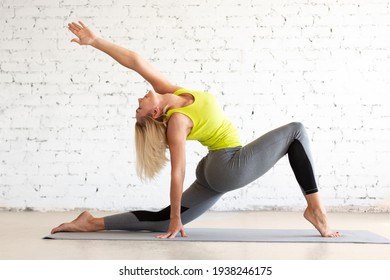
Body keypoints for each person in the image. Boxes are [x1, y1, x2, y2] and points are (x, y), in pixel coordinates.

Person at [51, 21, 341, 239]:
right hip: (228, 165)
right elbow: (178, 172)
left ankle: (91, 222)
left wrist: (95, 41)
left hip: (216, 169)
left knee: (162, 220)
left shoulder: (172, 92)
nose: (138, 100)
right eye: (139, 108)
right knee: (296, 131)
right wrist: (178, 216)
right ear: (154, 113)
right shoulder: (177, 122)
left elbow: (135, 61)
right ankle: (316, 210)